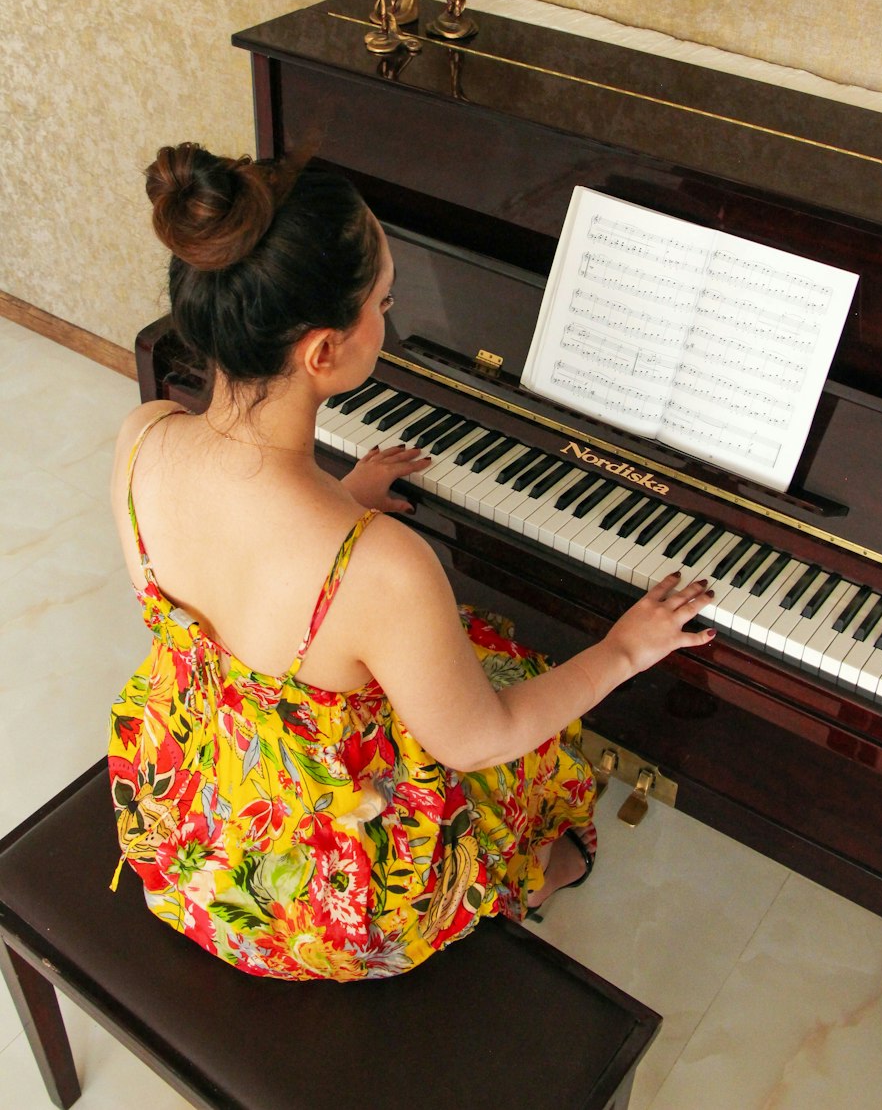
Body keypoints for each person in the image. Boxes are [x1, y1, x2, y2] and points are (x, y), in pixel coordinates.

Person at [107, 142, 716, 982]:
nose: (390, 320)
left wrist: (341, 497)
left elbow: (233, 572)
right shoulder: (381, 567)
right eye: (384, 303)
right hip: (323, 900)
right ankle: (533, 876)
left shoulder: (143, 439)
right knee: (517, 725)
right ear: (323, 353)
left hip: (186, 811)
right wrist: (622, 650)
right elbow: (477, 740)